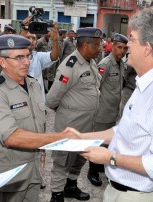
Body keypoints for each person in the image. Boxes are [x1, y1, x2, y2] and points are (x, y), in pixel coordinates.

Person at [78, 7, 153, 202]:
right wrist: (83, 137)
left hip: (136, 196)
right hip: (119, 191)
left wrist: (110, 158)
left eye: (131, 39)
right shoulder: (145, 84)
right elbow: (124, 131)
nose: (127, 45)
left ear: (147, 48)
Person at [0, 34, 78, 202]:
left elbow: (38, 122)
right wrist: (59, 138)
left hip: (34, 169)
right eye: (19, 57)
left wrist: (41, 153)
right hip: (11, 174)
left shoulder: (33, 84)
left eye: (28, 56)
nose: (27, 62)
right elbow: (11, 137)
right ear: (2, 62)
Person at [46, 27, 102, 202]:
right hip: (70, 126)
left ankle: (71, 186)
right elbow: (52, 99)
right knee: (63, 161)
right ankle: (56, 195)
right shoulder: (69, 66)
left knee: (79, 159)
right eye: (97, 45)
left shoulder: (90, 62)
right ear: (86, 44)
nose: (100, 48)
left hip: (86, 126)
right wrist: (68, 112)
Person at [88, 33, 128, 186]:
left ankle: (101, 167)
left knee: (108, 143)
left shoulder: (121, 64)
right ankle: (92, 171)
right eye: (119, 47)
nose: (122, 51)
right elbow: (96, 87)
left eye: (125, 48)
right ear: (113, 47)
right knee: (97, 142)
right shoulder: (105, 64)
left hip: (113, 111)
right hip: (102, 111)